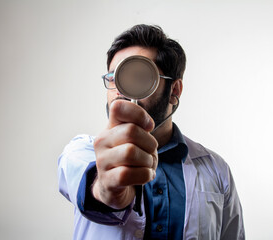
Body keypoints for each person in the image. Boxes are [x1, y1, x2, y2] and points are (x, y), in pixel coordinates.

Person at [58, 24, 245, 240]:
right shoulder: (80, 152)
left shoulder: (216, 170)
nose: (120, 88)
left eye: (137, 75)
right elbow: (94, 188)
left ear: (174, 90)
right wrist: (107, 189)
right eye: (113, 77)